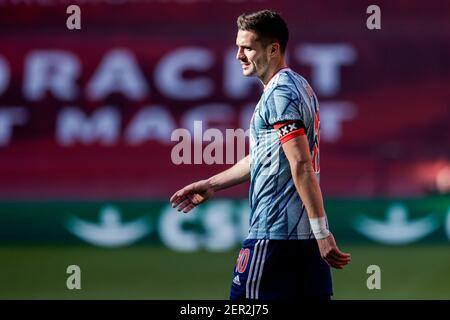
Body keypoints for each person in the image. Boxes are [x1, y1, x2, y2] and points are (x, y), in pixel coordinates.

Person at [170, 9, 351, 300]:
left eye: (248, 48)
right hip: (302, 241)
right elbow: (265, 157)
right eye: (238, 46)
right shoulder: (298, 86)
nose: (238, 55)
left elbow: (301, 163)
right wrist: (212, 183)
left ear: (273, 49)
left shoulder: (280, 93)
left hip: (274, 236)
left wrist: (322, 231)